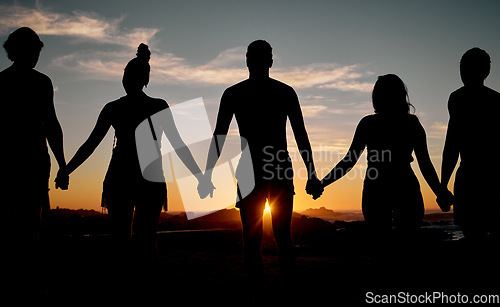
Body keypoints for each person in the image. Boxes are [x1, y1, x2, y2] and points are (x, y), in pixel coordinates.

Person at [56, 44, 202, 258]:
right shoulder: (156, 106)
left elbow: (91, 144)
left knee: (122, 239)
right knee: (144, 239)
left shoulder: (115, 107)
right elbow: (178, 144)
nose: (125, 80)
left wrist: (66, 169)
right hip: (145, 178)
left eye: (127, 75)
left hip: (122, 176)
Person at [198, 40, 322, 284]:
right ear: (271, 62)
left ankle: (259, 293)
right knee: (282, 236)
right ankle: (287, 290)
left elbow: (219, 137)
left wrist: (207, 175)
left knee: (253, 238)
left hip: (251, 167)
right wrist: (311, 174)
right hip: (277, 165)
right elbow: (301, 135)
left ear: (247, 61)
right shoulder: (284, 92)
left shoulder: (234, 93)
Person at [314, 74, 451, 241]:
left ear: (376, 97)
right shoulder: (411, 124)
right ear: (402, 95)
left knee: (380, 246)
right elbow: (425, 165)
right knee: (409, 244)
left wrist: (322, 184)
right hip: (405, 185)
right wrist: (440, 192)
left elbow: (348, 161)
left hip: (376, 187)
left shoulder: (368, 123)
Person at [0, 27, 67, 300]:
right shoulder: (41, 82)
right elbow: (51, 124)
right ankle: (29, 284)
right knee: (31, 225)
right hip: (32, 161)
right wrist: (63, 165)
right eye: (36, 51)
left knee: (12, 224)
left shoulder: (1, 81)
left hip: (10, 162)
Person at [441, 48, 500, 241]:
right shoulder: (496, 100)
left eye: (464, 67)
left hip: (471, 177)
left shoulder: (458, 99)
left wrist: (443, 186)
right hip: (488, 177)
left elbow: (451, 146)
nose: (462, 72)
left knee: (474, 238)